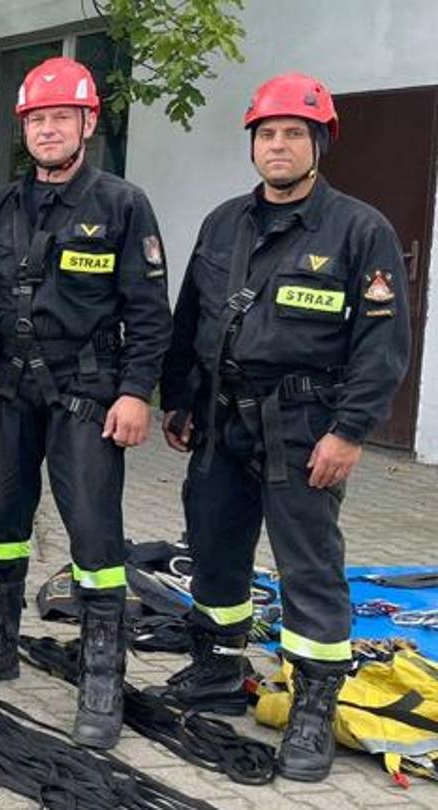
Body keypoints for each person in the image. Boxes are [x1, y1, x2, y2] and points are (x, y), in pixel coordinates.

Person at [154, 73, 409, 781]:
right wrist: (178, 400)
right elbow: (190, 322)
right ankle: (217, 672)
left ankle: (312, 711)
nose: (278, 145)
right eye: (267, 134)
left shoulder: (360, 230)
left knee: (309, 571)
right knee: (214, 552)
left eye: (293, 133)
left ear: (319, 142)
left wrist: (350, 432)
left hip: (304, 431)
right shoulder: (223, 222)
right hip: (217, 422)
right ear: (253, 143)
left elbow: (383, 347)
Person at [0, 56, 173, 750]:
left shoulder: (121, 204)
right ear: (25, 129)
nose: (48, 130)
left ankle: (102, 675)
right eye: (37, 119)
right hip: (7, 391)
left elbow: (149, 312)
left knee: (94, 538)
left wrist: (137, 392)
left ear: (87, 122)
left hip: (86, 393)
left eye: (60, 117)